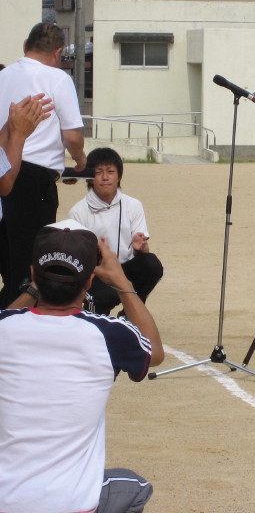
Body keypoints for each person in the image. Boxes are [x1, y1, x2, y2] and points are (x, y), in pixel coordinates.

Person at [0, 219, 164, 512]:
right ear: (89, 281)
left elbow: (9, 317)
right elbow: (155, 352)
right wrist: (123, 282)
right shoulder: (108, 333)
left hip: (6, 500)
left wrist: (35, 288)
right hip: (71, 504)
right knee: (135, 486)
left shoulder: (5, 327)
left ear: (33, 274)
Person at [0, 22, 87, 306]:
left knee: (9, 264)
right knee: (29, 269)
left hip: (3, 167)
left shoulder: (4, 75)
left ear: (26, 45)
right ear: (58, 52)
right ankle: (15, 325)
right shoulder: (57, 78)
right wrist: (80, 160)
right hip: (34, 176)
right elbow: (72, 135)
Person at [68, 148, 163, 316]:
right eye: (98, 172)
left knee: (151, 264)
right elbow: (76, 260)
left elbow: (143, 251)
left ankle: (130, 314)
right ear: (90, 178)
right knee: (104, 301)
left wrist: (141, 248)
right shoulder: (78, 212)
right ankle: (95, 313)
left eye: (110, 172)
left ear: (119, 176)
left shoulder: (133, 205)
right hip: (96, 275)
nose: (105, 177)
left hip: (125, 270)